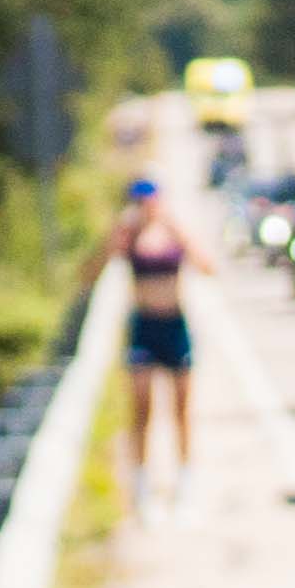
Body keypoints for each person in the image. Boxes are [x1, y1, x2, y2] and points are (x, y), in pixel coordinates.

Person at [112, 174, 196, 493]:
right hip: (144, 325)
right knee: (142, 408)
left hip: (174, 323)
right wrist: (116, 237)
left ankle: (186, 480)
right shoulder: (130, 237)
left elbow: (207, 265)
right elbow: (92, 271)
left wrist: (177, 232)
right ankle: (141, 482)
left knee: (182, 409)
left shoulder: (172, 233)